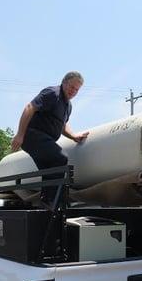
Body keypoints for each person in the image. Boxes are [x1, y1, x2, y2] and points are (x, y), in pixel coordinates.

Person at [11, 71, 89, 207]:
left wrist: (74, 136)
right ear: (64, 83)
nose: (73, 91)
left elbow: (62, 126)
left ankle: (47, 201)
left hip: (45, 140)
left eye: (77, 90)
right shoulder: (53, 93)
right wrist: (20, 134)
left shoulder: (68, 106)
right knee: (61, 158)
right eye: (72, 87)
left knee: (50, 170)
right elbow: (30, 107)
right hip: (32, 135)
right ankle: (54, 200)